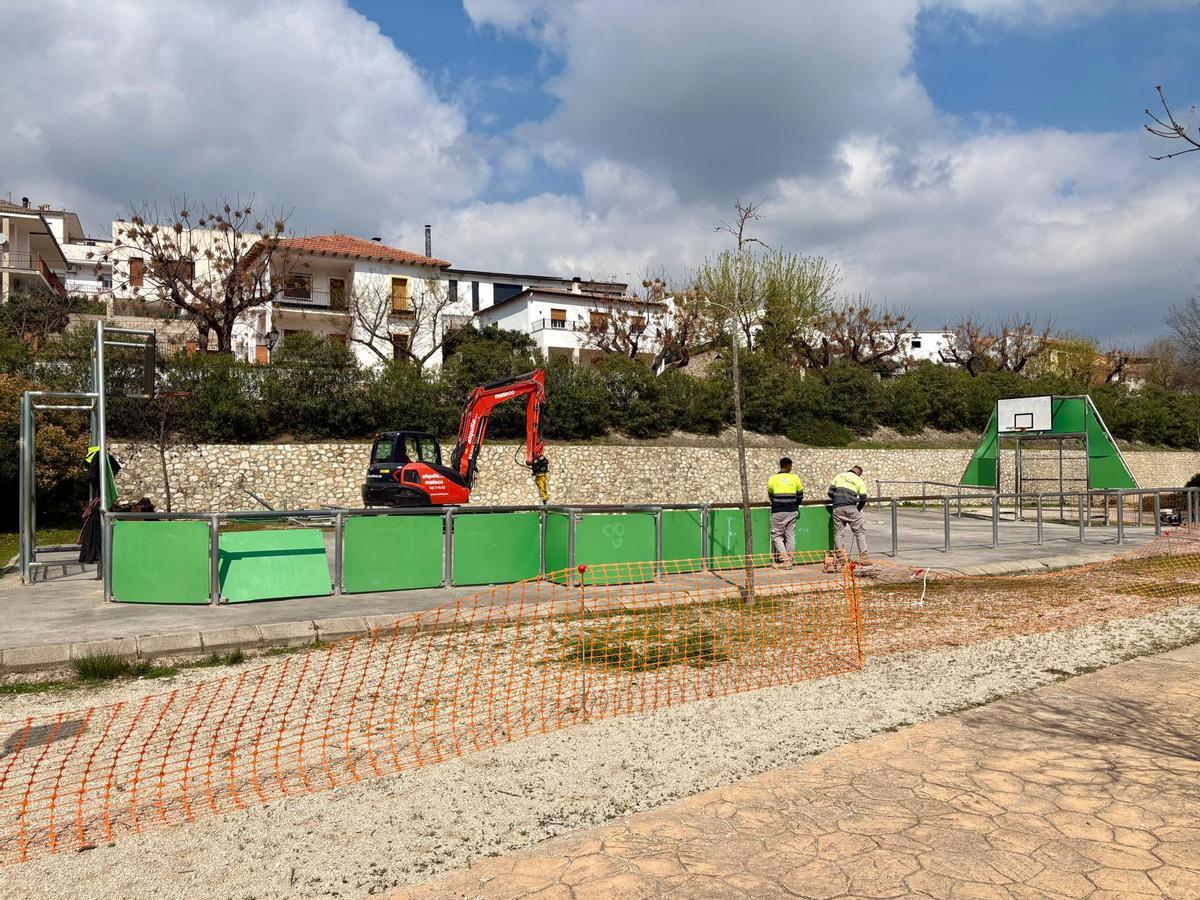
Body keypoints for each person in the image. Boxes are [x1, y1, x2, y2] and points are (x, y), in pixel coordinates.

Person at [767, 457, 804, 566]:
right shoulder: (795, 478)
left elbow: (770, 495)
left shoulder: (773, 479)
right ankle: (790, 560)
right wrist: (795, 505)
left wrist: (777, 503)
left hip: (778, 511)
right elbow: (800, 495)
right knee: (790, 535)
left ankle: (786, 560)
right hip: (792, 511)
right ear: (788, 466)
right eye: (791, 466)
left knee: (776, 536)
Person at [828, 465, 869, 560]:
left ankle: (841, 556)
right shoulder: (859, 480)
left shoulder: (839, 476)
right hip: (851, 507)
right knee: (859, 532)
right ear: (858, 473)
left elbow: (830, 493)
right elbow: (863, 498)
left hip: (837, 507)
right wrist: (858, 509)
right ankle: (863, 556)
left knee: (838, 533)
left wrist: (837, 499)